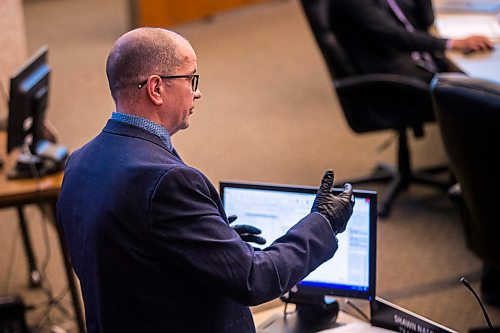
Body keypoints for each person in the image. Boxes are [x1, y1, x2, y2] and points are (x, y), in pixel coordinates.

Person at [56, 27, 355, 333]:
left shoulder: (79, 162)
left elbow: (126, 254)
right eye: (191, 78)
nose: (197, 92)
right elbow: (255, 280)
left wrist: (208, 243)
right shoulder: (167, 181)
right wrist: (323, 222)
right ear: (156, 89)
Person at [329, 0, 494, 82]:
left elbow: (426, 20)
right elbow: (393, 35)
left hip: (417, 61)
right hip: (393, 76)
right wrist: (451, 43)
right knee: (484, 93)